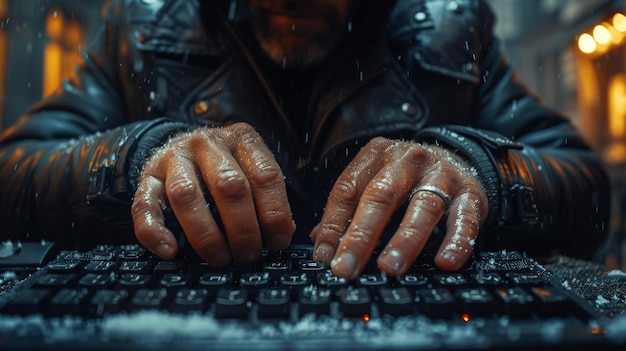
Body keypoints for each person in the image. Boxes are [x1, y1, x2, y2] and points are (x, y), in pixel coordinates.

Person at [0, 0, 611, 280]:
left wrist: (475, 169)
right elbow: (13, 170)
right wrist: (139, 158)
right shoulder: (140, 26)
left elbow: (586, 191)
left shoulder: (454, 28)